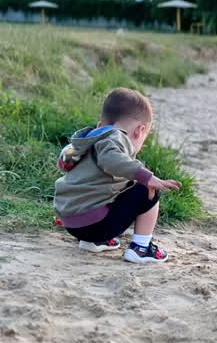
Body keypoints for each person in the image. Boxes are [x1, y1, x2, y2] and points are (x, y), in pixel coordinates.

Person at [53, 87, 182, 264]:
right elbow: (111, 159)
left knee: (121, 187)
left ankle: (94, 242)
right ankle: (141, 248)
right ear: (139, 131)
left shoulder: (91, 139)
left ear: (100, 125)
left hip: (72, 223)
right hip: (95, 225)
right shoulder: (116, 137)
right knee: (146, 189)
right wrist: (146, 176)